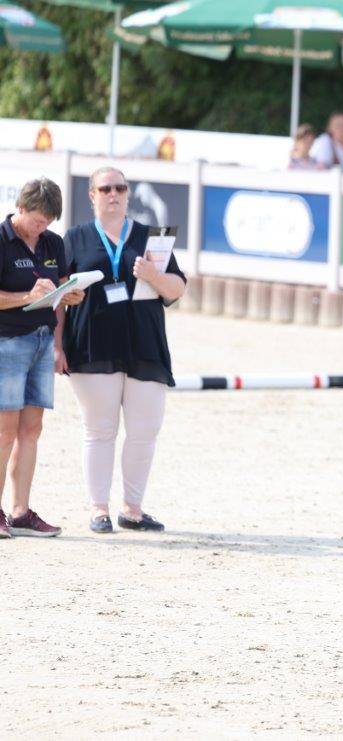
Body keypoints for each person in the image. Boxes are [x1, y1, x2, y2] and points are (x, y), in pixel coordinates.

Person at [63, 167, 187, 534]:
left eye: (120, 188)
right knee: (99, 430)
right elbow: (57, 297)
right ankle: (98, 508)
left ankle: (132, 509)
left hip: (144, 344)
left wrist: (153, 275)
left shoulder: (151, 238)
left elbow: (177, 289)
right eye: (105, 189)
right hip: (92, 345)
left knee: (144, 431)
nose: (113, 194)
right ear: (92, 196)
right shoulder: (75, 238)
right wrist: (56, 346)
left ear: (128, 193)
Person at [0, 179, 84, 538]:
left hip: (42, 341)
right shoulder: (1, 240)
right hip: (7, 342)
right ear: (20, 207)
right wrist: (26, 296)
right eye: (37, 219)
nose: (42, 226)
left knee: (31, 430)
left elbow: (59, 290)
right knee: (4, 431)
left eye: (48, 221)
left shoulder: (53, 242)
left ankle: (20, 511)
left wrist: (69, 297)